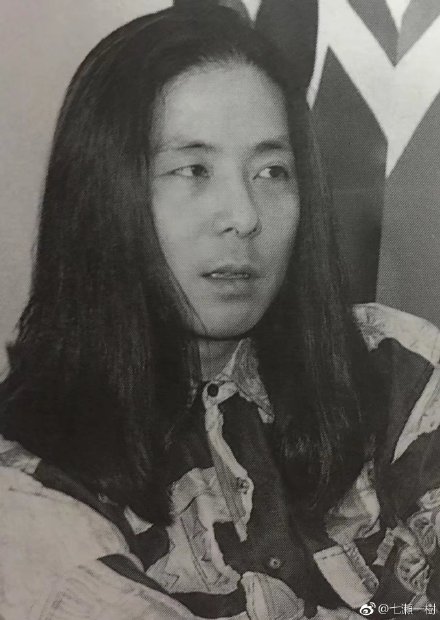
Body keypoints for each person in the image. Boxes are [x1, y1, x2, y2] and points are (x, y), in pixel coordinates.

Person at [1, 4, 440, 619]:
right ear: (103, 195)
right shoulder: (28, 489)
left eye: (271, 171)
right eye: (194, 169)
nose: (245, 215)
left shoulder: (399, 369)